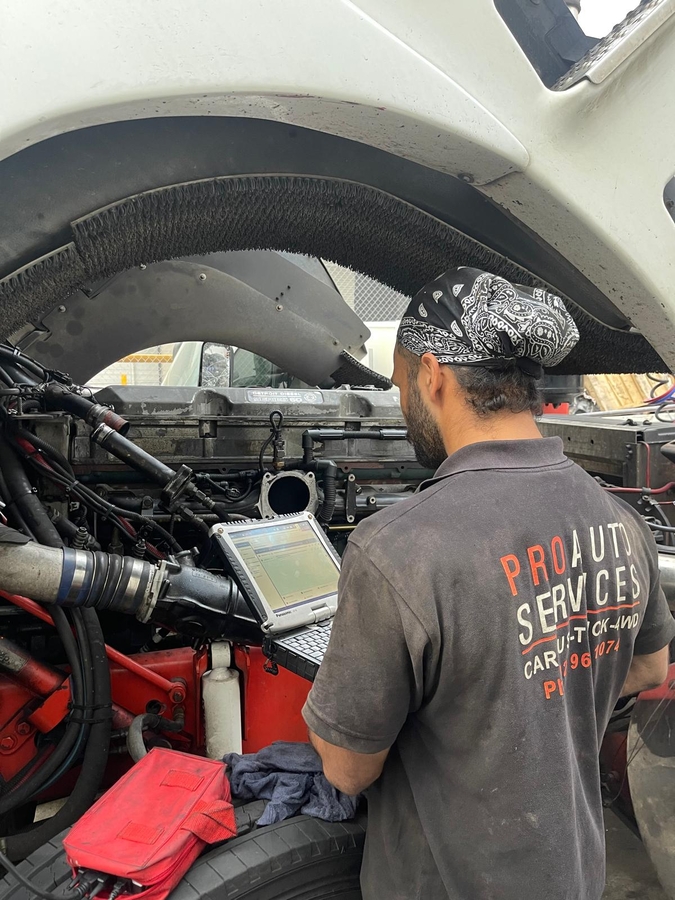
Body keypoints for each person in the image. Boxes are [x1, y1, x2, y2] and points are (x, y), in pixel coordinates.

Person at [302, 266, 675, 900]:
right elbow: (648, 667)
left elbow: (346, 768)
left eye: (400, 383)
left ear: (431, 375)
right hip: (575, 876)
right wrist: (545, 691)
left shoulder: (396, 548)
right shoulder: (620, 519)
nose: (402, 403)